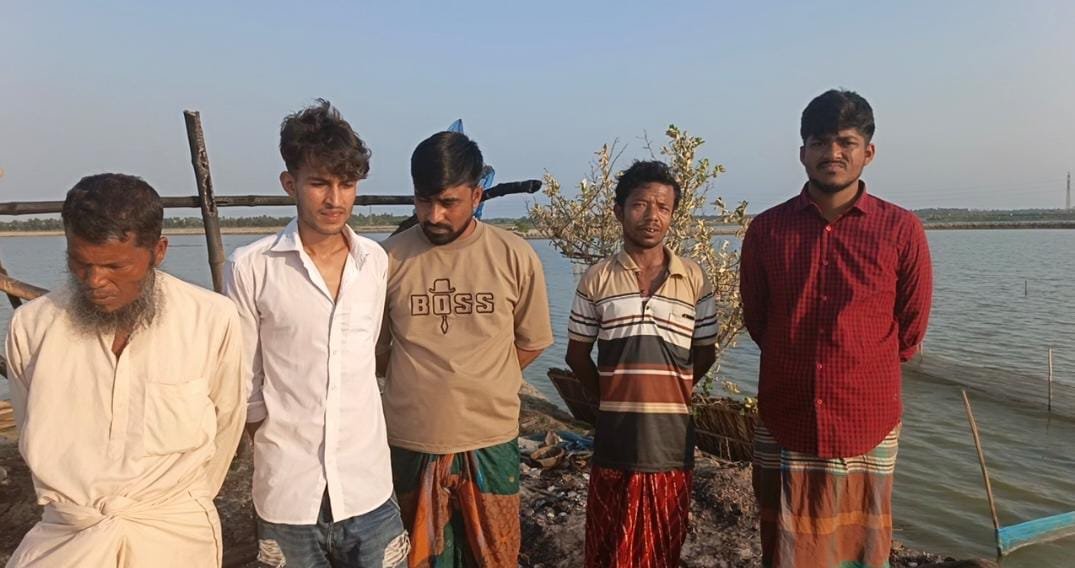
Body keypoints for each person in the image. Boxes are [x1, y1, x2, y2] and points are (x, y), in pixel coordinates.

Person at [5, 173, 246, 567]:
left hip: (174, 535)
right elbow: (30, 426)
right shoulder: (32, 327)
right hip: (66, 535)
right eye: (80, 263)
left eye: (115, 265)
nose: (95, 281)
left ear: (158, 251)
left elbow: (228, 423)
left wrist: (182, 502)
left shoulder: (211, 319)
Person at [739, 89, 933, 568]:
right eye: (820, 142)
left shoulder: (901, 229)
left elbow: (911, 329)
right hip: (787, 411)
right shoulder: (767, 231)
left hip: (867, 415)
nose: (833, 153)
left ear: (869, 151)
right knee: (785, 547)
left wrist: (857, 364)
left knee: (862, 549)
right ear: (802, 152)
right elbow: (758, 319)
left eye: (847, 142)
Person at [224, 100, 409, 568]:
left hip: (368, 488)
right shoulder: (251, 267)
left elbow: (366, 356)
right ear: (290, 183)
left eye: (346, 184)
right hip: (288, 493)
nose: (334, 199)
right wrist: (278, 442)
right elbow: (244, 379)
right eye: (319, 183)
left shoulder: (374, 262)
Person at [377, 131, 554, 567]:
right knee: (417, 557)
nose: (433, 215)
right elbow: (376, 352)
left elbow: (531, 342)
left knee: (494, 554)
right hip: (411, 438)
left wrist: (485, 381)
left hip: (490, 438)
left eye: (448, 202)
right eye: (423, 201)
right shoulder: (387, 260)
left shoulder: (514, 255)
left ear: (476, 196)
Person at [564, 160, 718, 567]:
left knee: (662, 545)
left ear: (672, 214)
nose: (652, 216)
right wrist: (610, 398)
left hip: (671, 442)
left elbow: (705, 352)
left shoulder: (695, 279)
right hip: (614, 440)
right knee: (607, 543)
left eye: (663, 207)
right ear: (619, 211)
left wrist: (673, 389)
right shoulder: (597, 278)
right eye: (640, 205)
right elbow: (576, 355)